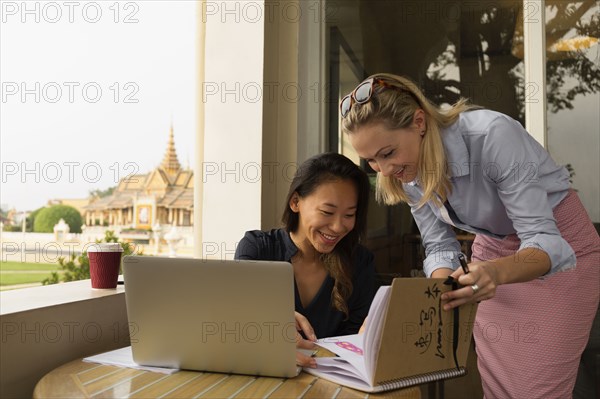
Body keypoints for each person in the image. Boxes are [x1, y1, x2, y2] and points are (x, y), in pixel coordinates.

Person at [340, 73, 599, 398]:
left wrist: (494, 272)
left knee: (536, 390)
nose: (384, 170)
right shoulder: (406, 171)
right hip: (491, 254)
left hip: (559, 247)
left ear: (419, 121)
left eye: (388, 153)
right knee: (499, 386)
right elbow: (439, 245)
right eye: (372, 161)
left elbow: (544, 239)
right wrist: (441, 293)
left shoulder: (492, 135)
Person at [235, 152, 377, 368]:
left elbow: (352, 343)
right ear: (295, 202)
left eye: (349, 215)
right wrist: (270, 324)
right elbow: (238, 319)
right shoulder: (257, 249)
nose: (339, 227)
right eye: (327, 212)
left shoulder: (360, 262)